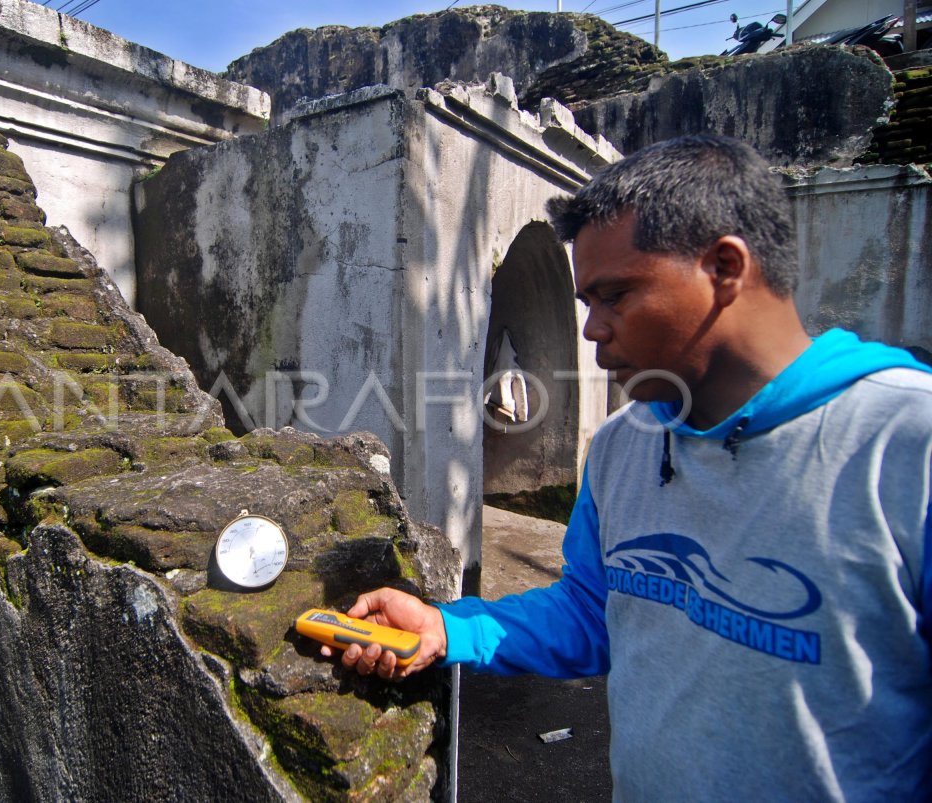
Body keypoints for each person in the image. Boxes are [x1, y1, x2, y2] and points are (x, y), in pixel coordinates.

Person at [327, 135, 932, 800]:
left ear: (725, 267)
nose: (591, 330)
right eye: (587, 302)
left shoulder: (907, 446)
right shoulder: (623, 446)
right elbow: (595, 609)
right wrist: (449, 627)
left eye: (615, 295)